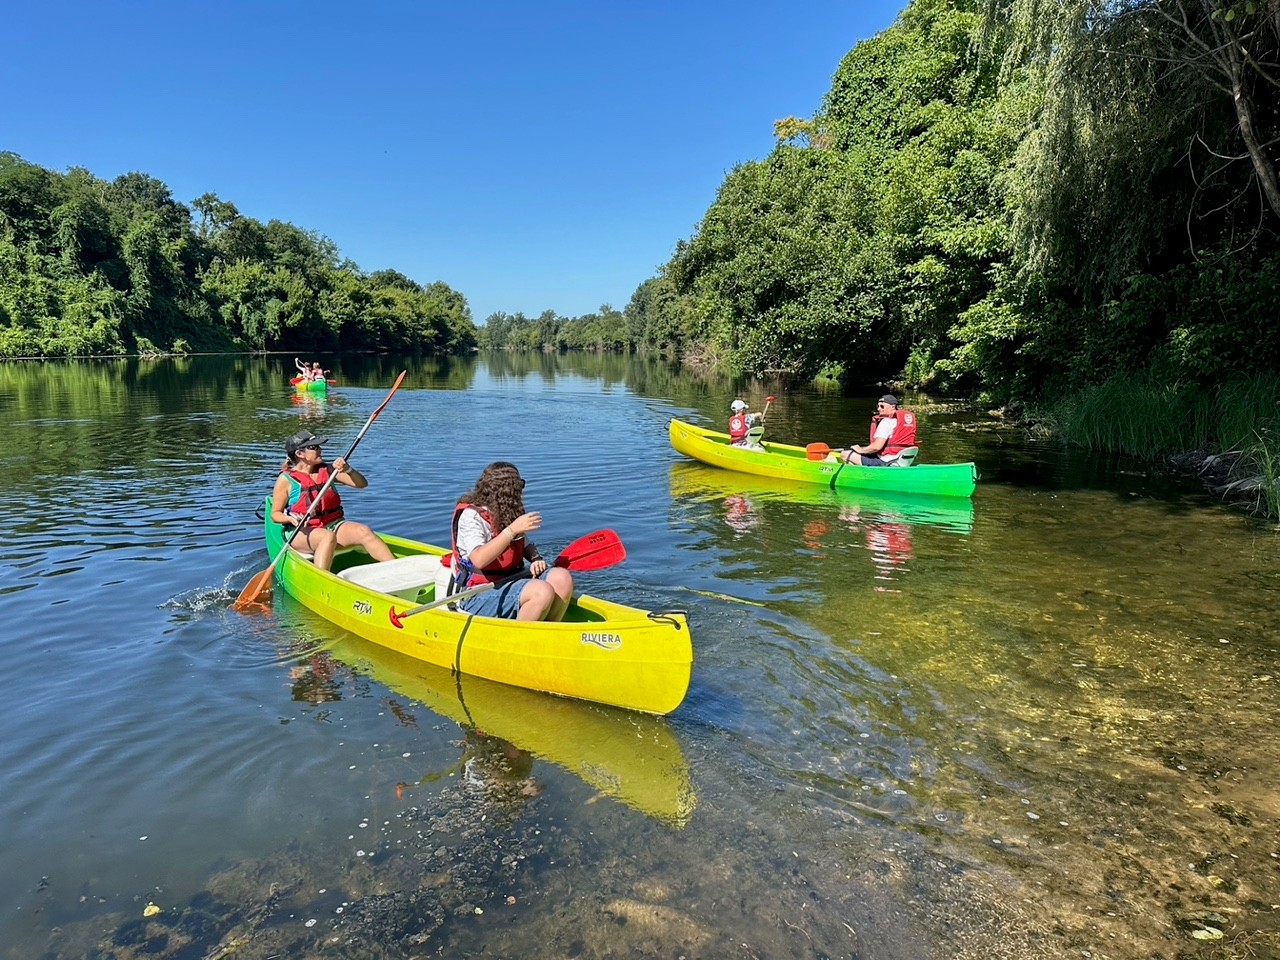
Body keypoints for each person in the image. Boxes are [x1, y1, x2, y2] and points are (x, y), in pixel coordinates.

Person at [449, 461, 574, 622]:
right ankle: (519, 640)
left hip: (511, 580)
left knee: (562, 578)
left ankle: (546, 631)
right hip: (477, 593)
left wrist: (536, 559)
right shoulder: (471, 517)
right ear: (508, 491)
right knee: (541, 591)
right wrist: (511, 530)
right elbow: (479, 559)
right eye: (520, 486)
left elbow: (524, 544)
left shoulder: (507, 512)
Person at [270, 429, 395, 570]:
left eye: (319, 446)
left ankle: (396, 570)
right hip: (301, 532)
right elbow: (275, 515)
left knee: (363, 531)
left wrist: (348, 470)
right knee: (326, 537)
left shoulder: (329, 470)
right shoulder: (286, 479)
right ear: (299, 454)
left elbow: (361, 484)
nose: (320, 450)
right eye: (314, 447)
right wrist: (291, 519)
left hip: (333, 525)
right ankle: (322, 581)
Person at [839, 394, 917, 466]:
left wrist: (860, 450)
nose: (879, 409)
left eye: (882, 406)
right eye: (878, 406)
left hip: (887, 461)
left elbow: (876, 447)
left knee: (845, 454)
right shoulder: (904, 421)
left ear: (893, 407)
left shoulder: (886, 422)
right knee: (863, 454)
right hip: (903, 460)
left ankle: (864, 476)